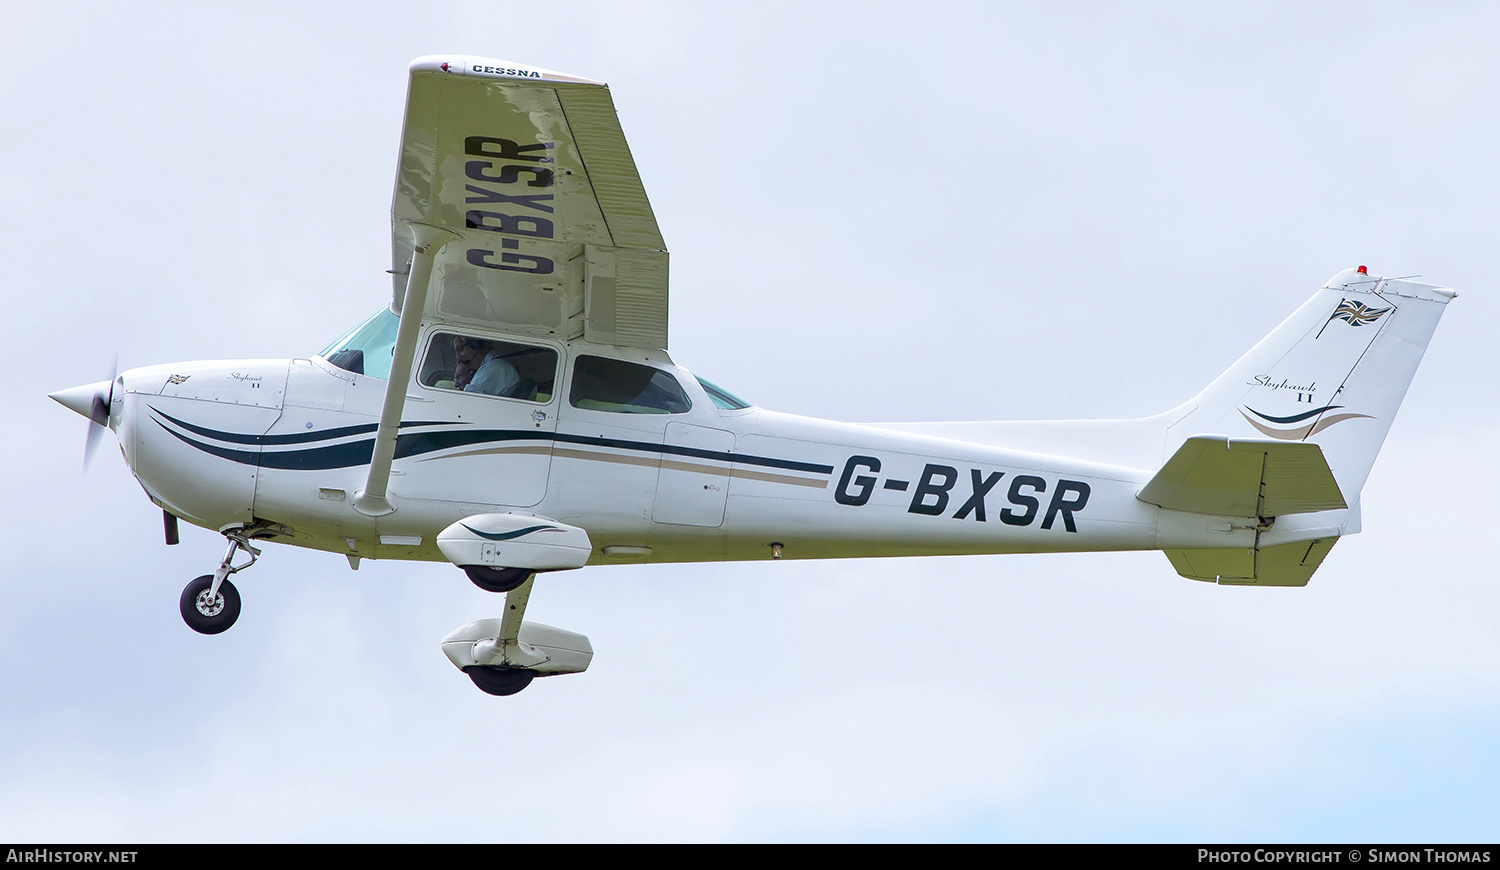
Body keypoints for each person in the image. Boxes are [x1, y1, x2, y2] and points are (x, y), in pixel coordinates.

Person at [455, 337, 519, 396]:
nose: (458, 357)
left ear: (475, 345)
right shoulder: (494, 366)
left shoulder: (494, 368)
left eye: (460, 349)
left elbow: (466, 399)